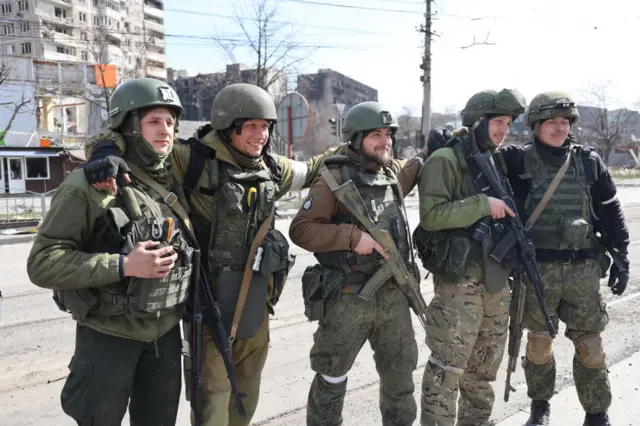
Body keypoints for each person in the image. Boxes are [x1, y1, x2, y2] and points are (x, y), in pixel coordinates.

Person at [82, 82, 345, 426]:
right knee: (214, 404)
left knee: (245, 397)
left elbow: (311, 170)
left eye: (265, 126)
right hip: (209, 308)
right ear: (228, 125)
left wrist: (356, 144)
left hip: (255, 304)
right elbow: (136, 142)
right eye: (250, 126)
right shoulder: (192, 159)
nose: (260, 135)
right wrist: (103, 151)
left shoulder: (269, 167)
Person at [27, 77, 193, 426]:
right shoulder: (90, 185)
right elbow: (42, 263)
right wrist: (124, 265)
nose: (165, 130)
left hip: (163, 334)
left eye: (170, 121)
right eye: (153, 121)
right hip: (109, 336)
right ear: (129, 125)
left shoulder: (170, 175)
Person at [289, 101, 430, 426]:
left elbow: (409, 171)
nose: (385, 142)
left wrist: (428, 151)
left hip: (394, 298)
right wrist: (351, 237)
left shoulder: (389, 173)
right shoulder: (333, 178)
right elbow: (301, 228)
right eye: (376, 135)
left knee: (400, 380)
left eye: (388, 135)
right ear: (355, 139)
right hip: (348, 300)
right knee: (332, 377)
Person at [499, 91, 630, 426]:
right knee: (539, 345)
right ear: (535, 125)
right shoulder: (517, 160)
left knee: (591, 347)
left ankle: (597, 413)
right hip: (537, 270)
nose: (558, 128)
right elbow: (479, 160)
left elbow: (611, 210)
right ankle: (540, 407)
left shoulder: (588, 162)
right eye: (550, 122)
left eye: (564, 122)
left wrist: (622, 256)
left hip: (583, 269)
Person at [414, 89, 527, 426]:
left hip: (495, 278)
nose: (503, 130)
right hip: (459, 285)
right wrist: (481, 205)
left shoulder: (494, 160)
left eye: (507, 123)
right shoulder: (445, 161)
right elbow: (432, 215)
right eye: (498, 122)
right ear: (478, 122)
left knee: (483, 367)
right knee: (447, 370)